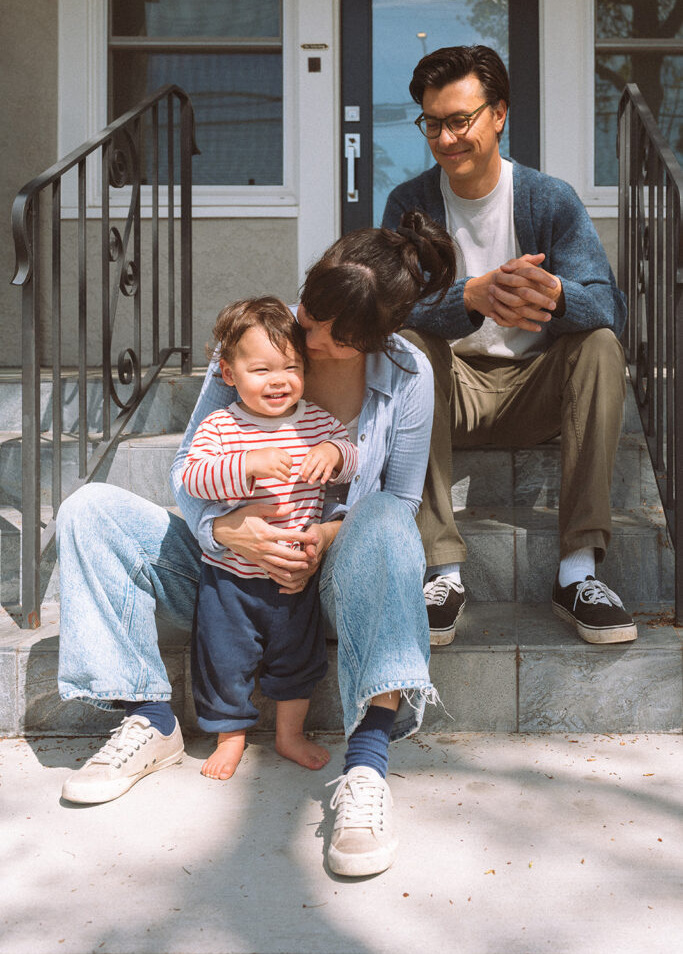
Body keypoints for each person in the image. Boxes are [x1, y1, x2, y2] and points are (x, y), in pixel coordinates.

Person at [56, 209, 457, 878]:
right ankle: (150, 718)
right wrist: (226, 527)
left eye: (334, 335)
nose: (311, 333)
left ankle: (365, 768)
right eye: (311, 309)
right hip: (224, 573)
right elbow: (190, 471)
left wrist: (323, 536)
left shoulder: (409, 374)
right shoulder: (258, 339)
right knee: (87, 509)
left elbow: (401, 500)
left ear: (375, 337)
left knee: (386, 523)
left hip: (327, 580)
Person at [383, 44, 637, 647]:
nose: (445, 138)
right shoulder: (409, 204)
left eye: (459, 120)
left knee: (599, 345)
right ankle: (441, 571)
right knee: (410, 342)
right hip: (452, 392)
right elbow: (387, 312)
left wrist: (552, 294)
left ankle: (578, 573)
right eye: (432, 123)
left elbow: (610, 307)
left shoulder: (549, 199)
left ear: (498, 114)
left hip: (537, 393)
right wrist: (471, 296)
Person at [182, 296, 357, 780]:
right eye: (261, 369)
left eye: (291, 366)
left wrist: (335, 453)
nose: (279, 380)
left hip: (293, 576)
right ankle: (231, 736)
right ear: (229, 374)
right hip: (229, 578)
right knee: (223, 658)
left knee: (297, 660)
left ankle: (289, 734)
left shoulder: (316, 422)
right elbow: (193, 478)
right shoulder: (221, 426)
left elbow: (355, 455)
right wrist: (246, 465)